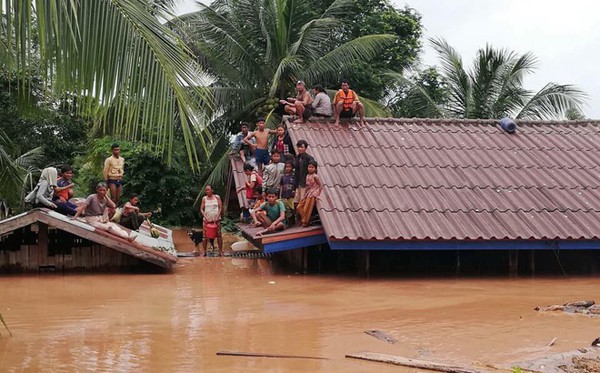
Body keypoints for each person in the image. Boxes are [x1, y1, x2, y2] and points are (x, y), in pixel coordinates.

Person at [199, 185, 223, 257]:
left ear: (212, 190)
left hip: (216, 220)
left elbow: (220, 208)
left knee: (219, 235)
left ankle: (220, 251)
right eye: (206, 190)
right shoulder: (204, 198)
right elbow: (201, 209)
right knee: (205, 237)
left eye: (208, 190)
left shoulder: (217, 197)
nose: (207, 191)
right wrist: (205, 216)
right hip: (207, 221)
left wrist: (217, 216)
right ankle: (204, 251)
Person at [296, 160, 322, 227]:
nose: (310, 168)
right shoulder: (307, 175)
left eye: (312, 167)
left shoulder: (315, 176)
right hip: (308, 193)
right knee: (299, 207)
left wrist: (318, 194)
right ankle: (306, 219)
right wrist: (304, 195)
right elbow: (307, 187)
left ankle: (305, 221)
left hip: (313, 193)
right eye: (309, 167)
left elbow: (320, 185)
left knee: (307, 208)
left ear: (315, 169)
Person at [293, 139, 314, 208]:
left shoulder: (309, 158)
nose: (300, 149)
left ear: (305, 148)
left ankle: (302, 218)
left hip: (305, 183)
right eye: (298, 147)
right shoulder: (297, 157)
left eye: (302, 147)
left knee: (302, 202)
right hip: (298, 182)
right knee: (296, 201)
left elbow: (313, 170)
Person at [279, 161, 296, 226]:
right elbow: (281, 187)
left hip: (291, 195)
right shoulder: (283, 177)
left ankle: (293, 220)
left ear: (292, 168)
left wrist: (295, 192)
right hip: (284, 195)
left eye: (289, 167)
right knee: (286, 209)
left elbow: (295, 186)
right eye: (286, 167)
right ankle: (288, 222)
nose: (288, 168)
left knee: (292, 208)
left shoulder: (294, 176)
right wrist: (280, 196)